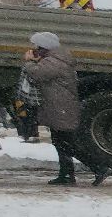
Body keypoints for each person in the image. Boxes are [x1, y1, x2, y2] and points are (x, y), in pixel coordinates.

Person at [21, 31, 104, 186]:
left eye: (37, 46)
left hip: (60, 108)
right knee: (61, 142)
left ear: (45, 47)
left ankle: (99, 167)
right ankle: (66, 174)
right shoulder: (57, 59)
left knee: (67, 144)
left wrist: (29, 62)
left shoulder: (54, 61)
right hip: (60, 107)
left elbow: (38, 74)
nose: (35, 49)